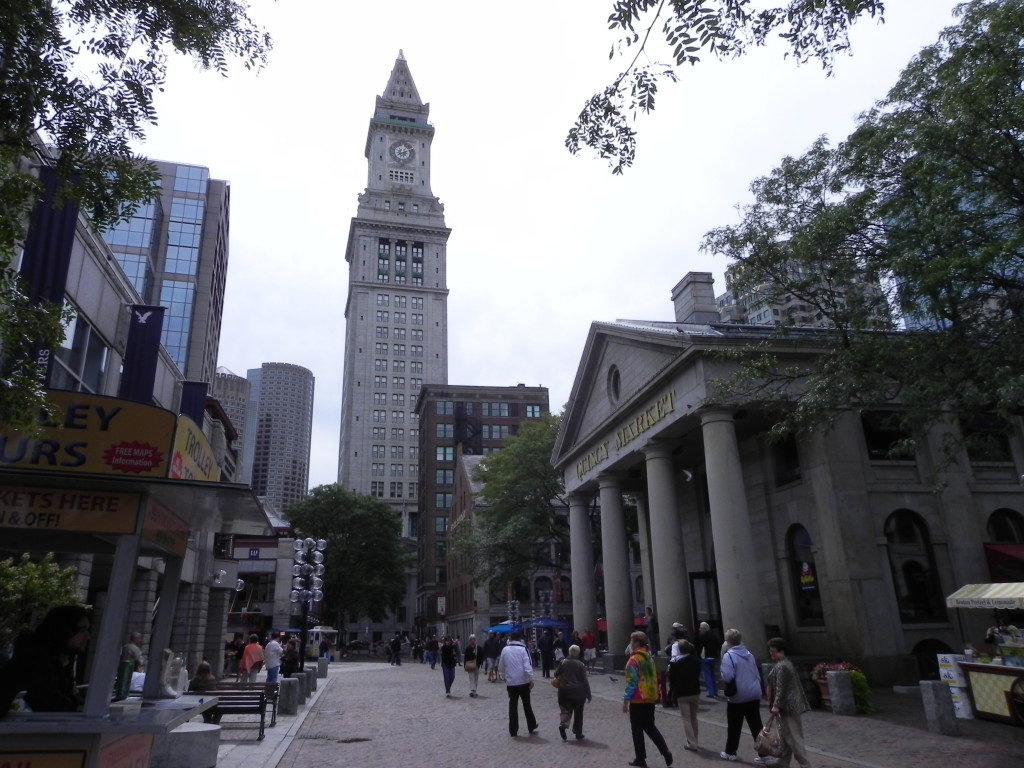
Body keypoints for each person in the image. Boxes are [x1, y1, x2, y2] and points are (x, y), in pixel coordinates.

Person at [0, 605, 91, 715]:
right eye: (82, 630)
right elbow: (47, 703)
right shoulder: (34, 657)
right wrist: (77, 701)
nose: (87, 637)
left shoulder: (63, 657)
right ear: (65, 630)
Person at [622, 631, 673, 768]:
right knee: (650, 727)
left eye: (632, 641)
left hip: (638, 699)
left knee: (637, 729)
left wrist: (626, 701)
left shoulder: (634, 660)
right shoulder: (649, 658)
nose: (631, 644)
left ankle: (641, 758)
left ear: (637, 643)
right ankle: (665, 751)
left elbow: (631, 682)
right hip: (650, 698)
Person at [719, 628, 763, 762]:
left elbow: (727, 676)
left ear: (728, 641)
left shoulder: (729, 656)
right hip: (753, 692)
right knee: (756, 726)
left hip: (738, 695)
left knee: (734, 726)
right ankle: (765, 754)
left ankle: (730, 752)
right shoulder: (749, 654)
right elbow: (755, 672)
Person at [766, 637, 812, 768]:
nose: (771, 654)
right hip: (789, 707)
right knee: (786, 736)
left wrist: (776, 705)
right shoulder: (785, 664)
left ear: (781, 651)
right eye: (770, 651)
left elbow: (781, 688)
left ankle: (805, 765)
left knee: (793, 738)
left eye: (773, 651)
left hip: (788, 707)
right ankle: (783, 762)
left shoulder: (782, 666)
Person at [498, 630, 538, 737]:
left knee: (513, 706)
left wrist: (503, 677)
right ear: (520, 639)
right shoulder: (523, 649)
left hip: (511, 683)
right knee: (526, 705)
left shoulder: (505, 650)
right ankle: (531, 725)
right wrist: (531, 679)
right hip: (523, 682)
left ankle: (513, 730)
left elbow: (501, 666)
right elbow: (527, 665)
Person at [668, 639, 702, 751]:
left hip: (682, 693)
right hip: (695, 691)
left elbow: (671, 679)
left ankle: (692, 743)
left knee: (686, 719)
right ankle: (695, 740)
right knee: (694, 718)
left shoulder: (675, 663)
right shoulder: (696, 660)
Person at [554, 644, 591, 741]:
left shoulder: (563, 662)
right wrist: (588, 694)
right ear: (577, 653)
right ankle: (578, 733)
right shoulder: (581, 665)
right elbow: (584, 680)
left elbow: (555, 674)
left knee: (565, 710)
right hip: (578, 692)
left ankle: (563, 724)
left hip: (564, 691)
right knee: (578, 713)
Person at [697, 621, 721, 699]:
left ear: (704, 629)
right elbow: (718, 645)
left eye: (701, 628)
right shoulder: (714, 636)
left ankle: (711, 692)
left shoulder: (702, 637)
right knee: (713, 675)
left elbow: (699, 648)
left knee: (707, 675)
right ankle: (715, 691)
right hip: (714, 657)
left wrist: (698, 656)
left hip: (705, 658)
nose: (699, 629)